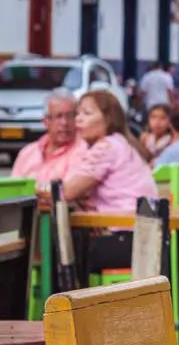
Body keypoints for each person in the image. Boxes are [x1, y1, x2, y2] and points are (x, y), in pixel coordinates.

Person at [64, 90, 159, 272]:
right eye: (78, 113)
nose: (78, 119)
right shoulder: (122, 143)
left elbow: (68, 191)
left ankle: (67, 299)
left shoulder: (107, 147)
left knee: (60, 252)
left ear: (108, 119)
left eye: (87, 113)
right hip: (147, 239)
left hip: (127, 240)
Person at [11, 89, 88, 185]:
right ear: (46, 122)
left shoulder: (85, 152)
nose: (65, 123)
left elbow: (71, 193)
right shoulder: (27, 153)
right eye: (58, 116)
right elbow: (12, 192)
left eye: (70, 116)